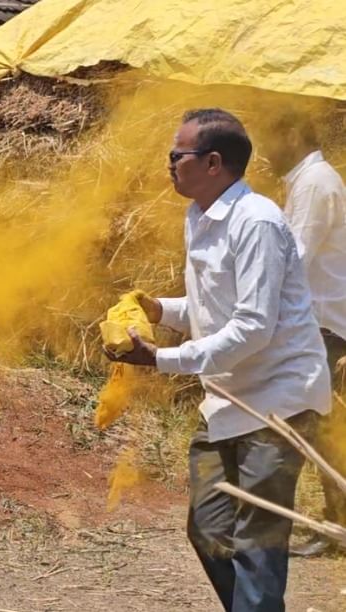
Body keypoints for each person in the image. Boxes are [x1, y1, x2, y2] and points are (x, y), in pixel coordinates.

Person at [108, 108, 331, 612]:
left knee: (257, 540)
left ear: (212, 163)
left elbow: (253, 327)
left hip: (278, 404)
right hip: (229, 400)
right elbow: (211, 309)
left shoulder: (258, 223)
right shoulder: (199, 218)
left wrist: (162, 359)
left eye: (176, 155)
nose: (169, 164)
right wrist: (159, 309)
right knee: (209, 528)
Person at [261, 112, 346, 557]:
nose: (264, 151)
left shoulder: (314, 183)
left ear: (291, 133)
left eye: (268, 139)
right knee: (321, 429)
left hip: (325, 327)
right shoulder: (309, 181)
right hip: (322, 324)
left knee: (321, 430)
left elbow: (293, 257)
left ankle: (337, 528)